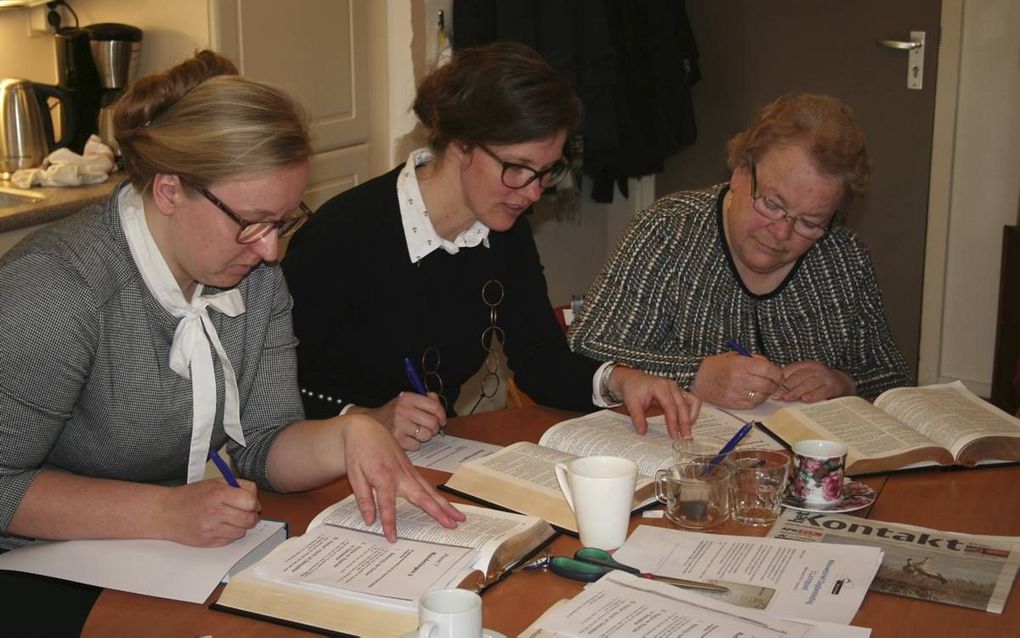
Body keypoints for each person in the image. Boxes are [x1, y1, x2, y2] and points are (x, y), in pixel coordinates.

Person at [0, 50, 462, 635]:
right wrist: (164, 512)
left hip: (181, 555)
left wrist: (351, 432)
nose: (270, 250)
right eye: (251, 222)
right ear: (169, 190)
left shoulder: (252, 277)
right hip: (38, 567)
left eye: (282, 222)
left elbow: (261, 442)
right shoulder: (59, 287)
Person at [282, 42, 700, 446]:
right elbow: (271, 394)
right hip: (328, 467)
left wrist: (618, 379)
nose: (533, 193)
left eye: (547, 172)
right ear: (463, 143)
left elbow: (539, 359)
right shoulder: (341, 236)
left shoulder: (502, 227)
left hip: (433, 455)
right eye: (518, 168)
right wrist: (362, 418)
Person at [567, 93, 912, 409]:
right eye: (771, 204)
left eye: (810, 222)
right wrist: (694, 375)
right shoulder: (668, 234)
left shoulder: (843, 258)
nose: (780, 232)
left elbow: (894, 378)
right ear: (740, 172)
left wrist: (845, 382)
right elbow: (583, 353)